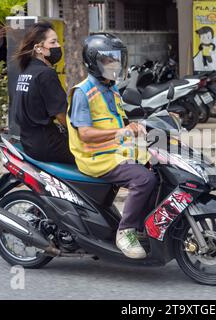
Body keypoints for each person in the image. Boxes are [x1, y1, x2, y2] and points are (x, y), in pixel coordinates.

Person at [66, 33, 157, 259]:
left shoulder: (111, 87)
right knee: (143, 179)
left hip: (117, 151)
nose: (114, 65)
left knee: (159, 167)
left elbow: (120, 120)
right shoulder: (83, 92)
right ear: (93, 62)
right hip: (97, 157)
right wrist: (122, 131)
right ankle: (125, 232)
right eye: (108, 60)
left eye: (117, 59)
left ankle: (144, 227)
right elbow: (85, 134)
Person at [12, 21, 74, 163]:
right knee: (94, 157)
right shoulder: (46, 74)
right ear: (39, 48)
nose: (59, 46)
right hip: (48, 145)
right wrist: (80, 135)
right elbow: (61, 115)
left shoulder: (26, 72)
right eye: (53, 42)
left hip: (29, 143)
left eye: (58, 42)